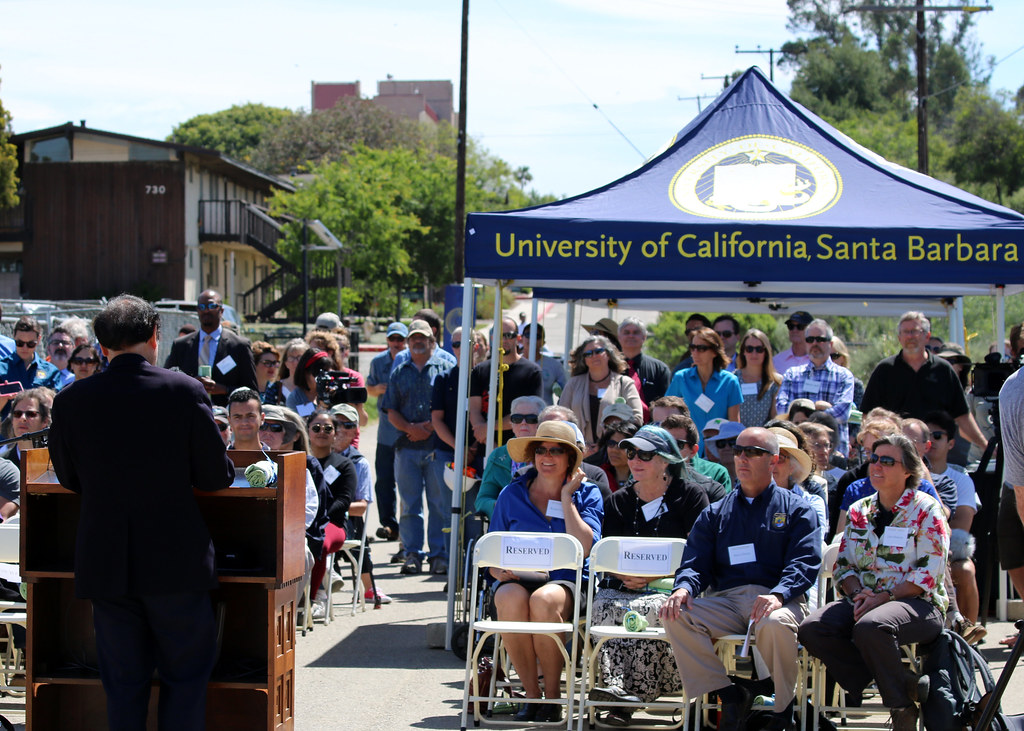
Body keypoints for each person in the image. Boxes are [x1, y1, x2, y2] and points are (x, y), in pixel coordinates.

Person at [48, 294, 235, 730]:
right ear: (156, 335)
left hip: (106, 559)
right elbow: (215, 477)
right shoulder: (183, 390)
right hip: (175, 560)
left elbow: (69, 478)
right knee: (185, 679)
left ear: (103, 346)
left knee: (123, 682)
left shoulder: (73, 399)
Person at [659, 427, 822, 731]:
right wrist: (683, 588)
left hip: (779, 600)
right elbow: (695, 562)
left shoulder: (798, 509)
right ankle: (730, 694)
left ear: (774, 461)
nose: (742, 458)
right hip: (728, 601)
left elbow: (805, 562)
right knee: (673, 613)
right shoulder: (716, 513)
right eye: (738, 450)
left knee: (774, 623)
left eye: (753, 452)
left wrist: (779, 595)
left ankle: (784, 712)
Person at [799, 434, 949, 731]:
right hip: (865, 599)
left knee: (871, 626)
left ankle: (901, 710)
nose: (877, 466)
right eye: (874, 459)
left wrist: (884, 597)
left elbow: (927, 574)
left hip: (918, 604)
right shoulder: (859, 510)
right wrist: (857, 594)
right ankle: (898, 684)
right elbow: (844, 566)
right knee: (813, 629)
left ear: (908, 469)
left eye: (887, 461)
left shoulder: (926, 510)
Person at [588, 425, 710, 725]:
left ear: (666, 459)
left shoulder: (691, 496)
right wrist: (622, 574)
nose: (635, 460)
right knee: (604, 606)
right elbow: (608, 552)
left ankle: (630, 697)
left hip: (672, 588)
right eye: (631, 453)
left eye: (645, 454)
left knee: (649, 609)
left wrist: (653, 579)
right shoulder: (618, 501)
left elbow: (701, 550)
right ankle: (616, 692)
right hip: (623, 584)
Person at [489, 420, 604, 723]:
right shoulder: (510, 495)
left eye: (556, 450)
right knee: (511, 599)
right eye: (541, 450)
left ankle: (551, 697)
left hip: (566, 580)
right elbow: (491, 554)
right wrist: (497, 568)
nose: (547, 457)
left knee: (543, 601)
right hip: (517, 577)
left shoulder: (587, 494)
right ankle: (530, 695)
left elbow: (586, 547)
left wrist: (566, 498)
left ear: (570, 458)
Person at [381, 319, 453, 576]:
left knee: (437, 504)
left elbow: (452, 408)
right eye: (413, 338)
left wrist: (430, 426)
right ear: (408, 342)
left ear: (432, 340)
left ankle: (439, 556)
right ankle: (412, 554)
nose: (418, 342)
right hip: (407, 447)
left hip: (437, 446)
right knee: (410, 504)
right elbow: (391, 410)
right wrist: (411, 428)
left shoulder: (446, 368)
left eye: (422, 337)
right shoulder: (399, 371)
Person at [860, 312, 988, 451]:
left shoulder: (943, 370)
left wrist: (986, 446)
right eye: (906, 332)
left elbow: (962, 416)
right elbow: (868, 415)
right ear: (899, 338)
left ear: (927, 336)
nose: (910, 336)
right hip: (896, 451)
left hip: (934, 448)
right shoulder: (884, 370)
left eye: (915, 331)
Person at [924, 410, 983, 641]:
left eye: (937, 436)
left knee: (966, 570)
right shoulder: (903, 473)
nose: (931, 442)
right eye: (926, 436)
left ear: (951, 443)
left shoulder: (961, 479)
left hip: (947, 550)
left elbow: (960, 527)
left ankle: (967, 639)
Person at [330, 403, 390, 605]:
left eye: (347, 425)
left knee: (355, 527)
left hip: (346, 518)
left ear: (355, 430)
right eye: (336, 423)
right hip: (318, 518)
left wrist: (332, 508)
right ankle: (326, 580)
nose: (340, 430)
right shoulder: (315, 455)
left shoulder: (358, 463)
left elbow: (362, 507)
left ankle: (368, 587)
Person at [163, 289, 258, 406]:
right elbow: (167, 383)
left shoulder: (239, 346)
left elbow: (252, 391)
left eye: (212, 306)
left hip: (225, 415)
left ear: (221, 310)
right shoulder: (181, 345)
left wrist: (224, 389)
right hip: (189, 413)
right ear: (197, 310)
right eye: (202, 307)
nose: (206, 310)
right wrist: (192, 384)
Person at [775, 318, 855, 457]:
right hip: (798, 453)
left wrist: (801, 415)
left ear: (830, 343)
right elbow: (782, 409)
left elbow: (842, 413)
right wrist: (819, 408)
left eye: (820, 339)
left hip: (833, 455)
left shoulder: (844, 376)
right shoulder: (792, 375)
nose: (814, 343)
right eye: (810, 339)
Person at [559, 335, 642, 453]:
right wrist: (580, 445)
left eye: (598, 351)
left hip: (614, 451)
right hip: (579, 451)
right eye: (588, 353)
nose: (593, 356)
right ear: (584, 359)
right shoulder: (573, 384)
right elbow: (562, 418)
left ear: (608, 354)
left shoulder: (624, 383)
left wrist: (608, 441)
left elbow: (637, 418)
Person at [666, 327, 742, 454]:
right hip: (686, 450)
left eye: (701, 348)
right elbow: (667, 414)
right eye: (692, 347)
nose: (695, 352)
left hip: (720, 451)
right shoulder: (681, 378)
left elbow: (734, 424)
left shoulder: (730, 381)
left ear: (714, 351)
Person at [469, 315, 543, 446]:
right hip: (484, 445)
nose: (504, 340)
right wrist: (487, 439)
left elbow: (530, 413)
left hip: (518, 446)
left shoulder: (532, 371)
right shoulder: (480, 370)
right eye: (499, 335)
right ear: (492, 338)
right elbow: (473, 409)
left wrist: (487, 428)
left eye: (509, 335)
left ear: (518, 338)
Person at [472, 395, 545, 519]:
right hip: (508, 524)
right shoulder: (497, 456)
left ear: (542, 423)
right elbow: (482, 500)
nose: (523, 423)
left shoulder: (553, 453)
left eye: (531, 419)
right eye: (517, 418)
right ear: (511, 423)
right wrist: (500, 505)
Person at [367, 322, 407, 542]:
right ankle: (389, 524)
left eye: (400, 339)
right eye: (393, 339)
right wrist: (379, 389)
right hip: (385, 432)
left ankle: (406, 527)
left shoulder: (411, 360)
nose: (396, 344)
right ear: (387, 341)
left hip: (408, 433)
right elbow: (369, 389)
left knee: (408, 482)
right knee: (384, 480)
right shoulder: (378, 362)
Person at [660, 413, 729, 502]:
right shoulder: (642, 483)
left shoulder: (711, 489)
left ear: (693, 451)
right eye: (665, 444)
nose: (670, 450)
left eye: (678, 444)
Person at [0, 316, 59, 415]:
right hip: (9, 428)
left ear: (39, 339)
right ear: (13, 336)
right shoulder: (2, 368)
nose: (25, 348)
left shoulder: (50, 371)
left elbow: (57, 407)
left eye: (30, 344)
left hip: (41, 428)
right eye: (19, 343)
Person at [617, 317, 671, 422]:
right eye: (626, 332)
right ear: (619, 337)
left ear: (644, 337)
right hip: (615, 427)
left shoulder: (660, 369)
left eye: (636, 332)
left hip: (649, 429)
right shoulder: (609, 368)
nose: (631, 335)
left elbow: (666, 404)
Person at [735, 329, 781, 427]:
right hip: (736, 438)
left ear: (766, 352)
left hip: (764, 437)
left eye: (759, 349)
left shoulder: (776, 381)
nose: (754, 354)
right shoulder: (733, 379)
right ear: (743, 351)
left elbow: (775, 417)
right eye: (749, 349)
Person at [0, 388, 51, 468]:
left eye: (31, 414)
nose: (22, 418)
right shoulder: (2, 465)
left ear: (45, 421)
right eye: (17, 414)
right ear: (12, 420)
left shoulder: (58, 460)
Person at [522, 323, 567, 406]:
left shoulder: (554, 365)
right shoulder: (512, 364)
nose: (532, 339)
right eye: (528, 335)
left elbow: (566, 395)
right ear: (521, 338)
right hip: (516, 417)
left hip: (544, 416)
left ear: (543, 342)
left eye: (537, 336)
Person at [285, 348, 333, 417]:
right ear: (305, 373)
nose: (323, 378)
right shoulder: (296, 398)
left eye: (327, 373)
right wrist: (320, 408)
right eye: (317, 374)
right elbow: (300, 424)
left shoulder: (332, 393)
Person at [596, 420, 638, 493]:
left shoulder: (643, 476)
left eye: (621, 445)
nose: (614, 450)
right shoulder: (598, 475)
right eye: (611, 443)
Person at [263, 338, 306, 406]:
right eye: (291, 358)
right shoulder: (274, 388)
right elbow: (269, 413)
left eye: (299, 358)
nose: (295, 362)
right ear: (285, 362)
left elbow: (315, 411)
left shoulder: (312, 388)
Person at [226, 387, 266, 451]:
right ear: (229, 421)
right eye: (237, 417)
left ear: (262, 418)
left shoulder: (277, 459)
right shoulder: (218, 460)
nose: (244, 422)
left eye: (250, 416)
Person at [46, 326, 76, 390]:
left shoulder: (78, 376)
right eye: (56, 343)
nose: (60, 346)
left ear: (73, 348)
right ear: (48, 348)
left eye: (65, 343)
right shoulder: (39, 374)